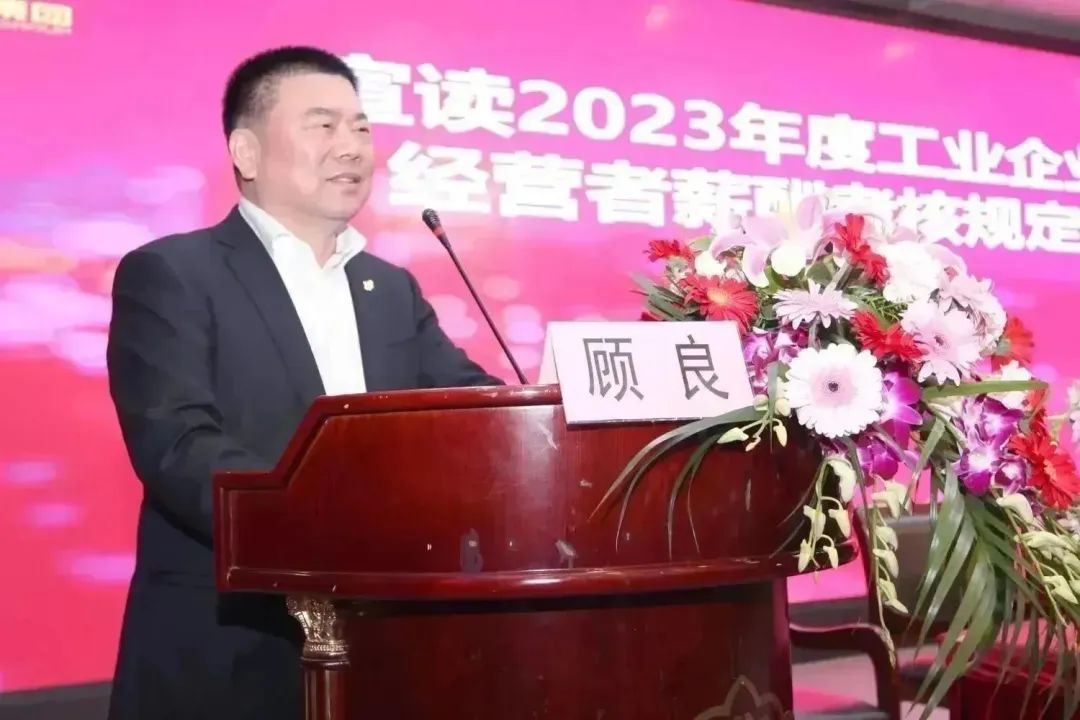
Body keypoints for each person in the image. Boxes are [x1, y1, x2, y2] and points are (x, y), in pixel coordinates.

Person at [105, 46, 502, 720]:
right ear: (247, 152)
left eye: (361, 128)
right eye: (323, 125)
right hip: (229, 648)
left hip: (379, 649)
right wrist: (336, 524)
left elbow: (469, 409)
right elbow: (178, 445)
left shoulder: (389, 289)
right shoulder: (174, 274)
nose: (351, 147)